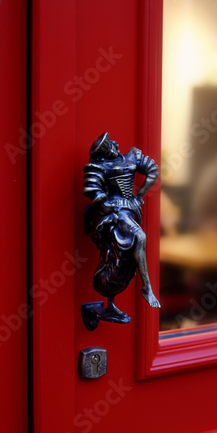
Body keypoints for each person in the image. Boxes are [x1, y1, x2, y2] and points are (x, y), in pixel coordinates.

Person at [83, 132, 160, 318]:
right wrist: (107, 205)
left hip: (131, 209)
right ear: (104, 151)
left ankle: (125, 296)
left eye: (111, 141)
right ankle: (147, 289)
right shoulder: (98, 166)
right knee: (140, 237)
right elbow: (94, 191)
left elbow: (152, 170)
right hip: (117, 212)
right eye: (108, 144)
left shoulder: (132, 155)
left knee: (130, 251)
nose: (114, 143)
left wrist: (140, 195)